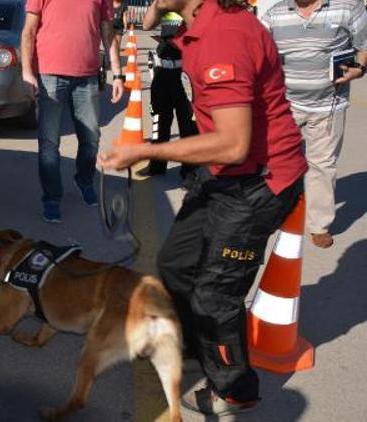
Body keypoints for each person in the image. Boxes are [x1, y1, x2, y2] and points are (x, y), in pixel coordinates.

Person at [98, 0, 307, 416]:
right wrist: (155, 14)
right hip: (225, 173)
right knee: (176, 263)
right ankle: (194, 344)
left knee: (215, 294)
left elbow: (233, 143)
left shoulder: (224, 35)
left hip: (258, 182)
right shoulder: (197, 23)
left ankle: (234, 389)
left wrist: (144, 149)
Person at [260, 0, 367, 248]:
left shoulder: (348, 8)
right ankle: (274, 211)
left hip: (328, 105)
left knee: (322, 165)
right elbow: (256, 50)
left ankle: (319, 225)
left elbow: (364, 46)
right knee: (276, 159)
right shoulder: (274, 14)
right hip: (285, 104)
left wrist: (359, 69)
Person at [21, 0, 125, 223]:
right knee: (49, 143)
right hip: (50, 75)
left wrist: (117, 73)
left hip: (86, 77)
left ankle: (84, 180)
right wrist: (27, 71)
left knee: (91, 138)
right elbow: (29, 30)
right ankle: (51, 198)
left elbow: (108, 34)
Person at [138, 4, 199, 179]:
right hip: (162, 70)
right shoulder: (165, 4)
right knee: (159, 120)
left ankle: (190, 171)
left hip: (186, 72)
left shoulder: (196, 5)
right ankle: (157, 165)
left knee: (188, 125)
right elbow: (146, 25)